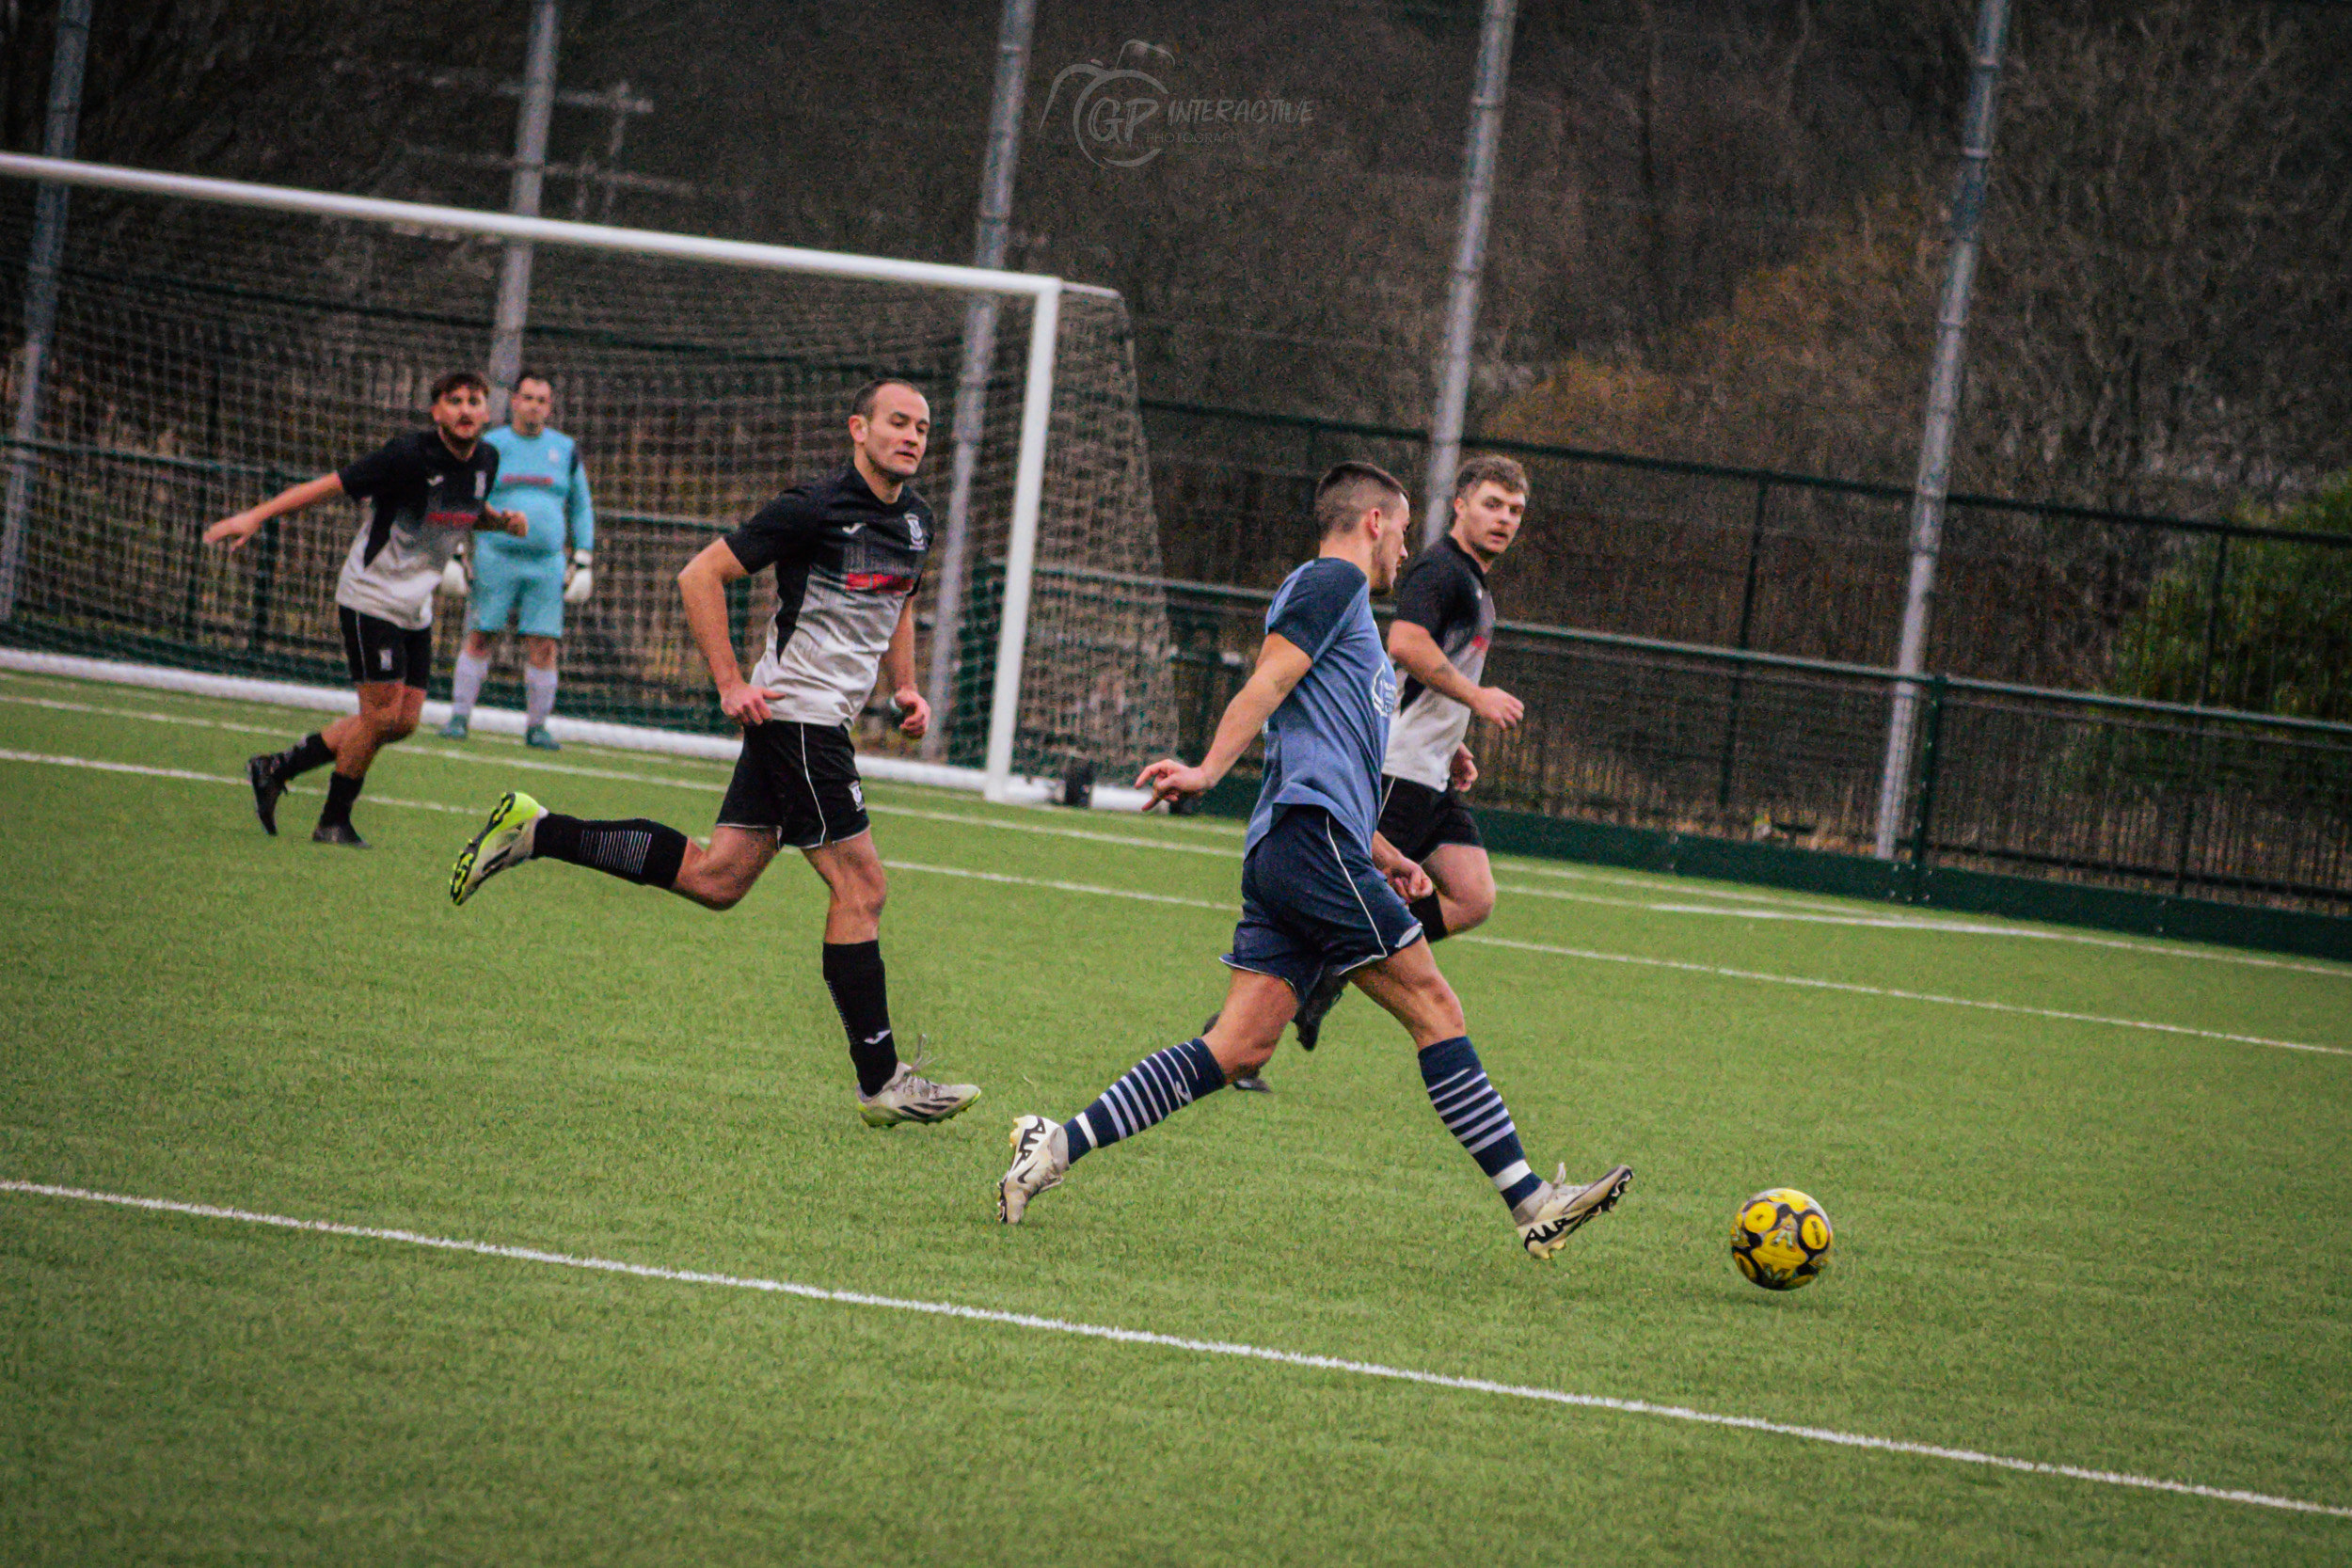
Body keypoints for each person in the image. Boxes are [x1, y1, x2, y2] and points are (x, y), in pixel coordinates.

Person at [996, 461, 1631, 1259]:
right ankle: (1532, 1200)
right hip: (1307, 844)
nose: (1408, 545)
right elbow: (1266, 685)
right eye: (1402, 527)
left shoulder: (1352, 616)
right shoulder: (1332, 581)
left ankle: (1052, 1148)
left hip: (1308, 845)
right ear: (1374, 523)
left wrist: (1387, 850)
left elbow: (1316, 751)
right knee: (1436, 1007)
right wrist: (1204, 771)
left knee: (1235, 1049)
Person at [445, 379, 979, 1128]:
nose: (913, 436)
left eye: (924, 426)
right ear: (858, 428)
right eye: (898, 422)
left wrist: (908, 687)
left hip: (812, 724)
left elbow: (900, 601)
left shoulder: (917, 522)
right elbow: (701, 575)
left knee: (717, 877)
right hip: (798, 719)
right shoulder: (813, 506)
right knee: (863, 886)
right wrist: (730, 682)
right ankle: (881, 1078)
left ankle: (537, 831)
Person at [1232, 453, 1532, 1089]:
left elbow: (1397, 672)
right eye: (1491, 504)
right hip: (1389, 766)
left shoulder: (1475, 583)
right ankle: (1247, 1034)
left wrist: (1452, 737)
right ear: (1459, 505)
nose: (1503, 519)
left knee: (1472, 893)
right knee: (1337, 902)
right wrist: (1475, 701)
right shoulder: (1437, 571)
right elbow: (1403, 646)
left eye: (1514, 510)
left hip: (1430, 767)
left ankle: (1335, 965)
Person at [205, 371, 527, 847]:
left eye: (474, 401)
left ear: (486, 411)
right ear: (436, 411)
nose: (465, 409)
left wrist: (500, 521)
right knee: (378, 717)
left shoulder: (487, 459)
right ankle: (333, 821)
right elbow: (329, 486)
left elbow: (464, 506)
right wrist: (255, 515)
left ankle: (277, 768)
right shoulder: (406, 455)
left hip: (415, 603)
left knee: (403, 721)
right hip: (371, 595)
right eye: (453, 400)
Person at [440, 372, 596, 750]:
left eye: (542, 400)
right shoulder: (490, 445)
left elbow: (581, 506)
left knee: (545, 645)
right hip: (495, 557)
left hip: (547, 565)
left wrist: (584, 557)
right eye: (528, 398)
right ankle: (459, 718)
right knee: (480, 635)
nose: (534, 406)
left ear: (550, 406)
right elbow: (466, 496)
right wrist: (456, 551)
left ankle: (537, 727)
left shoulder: (565, 449)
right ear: (513, 401)